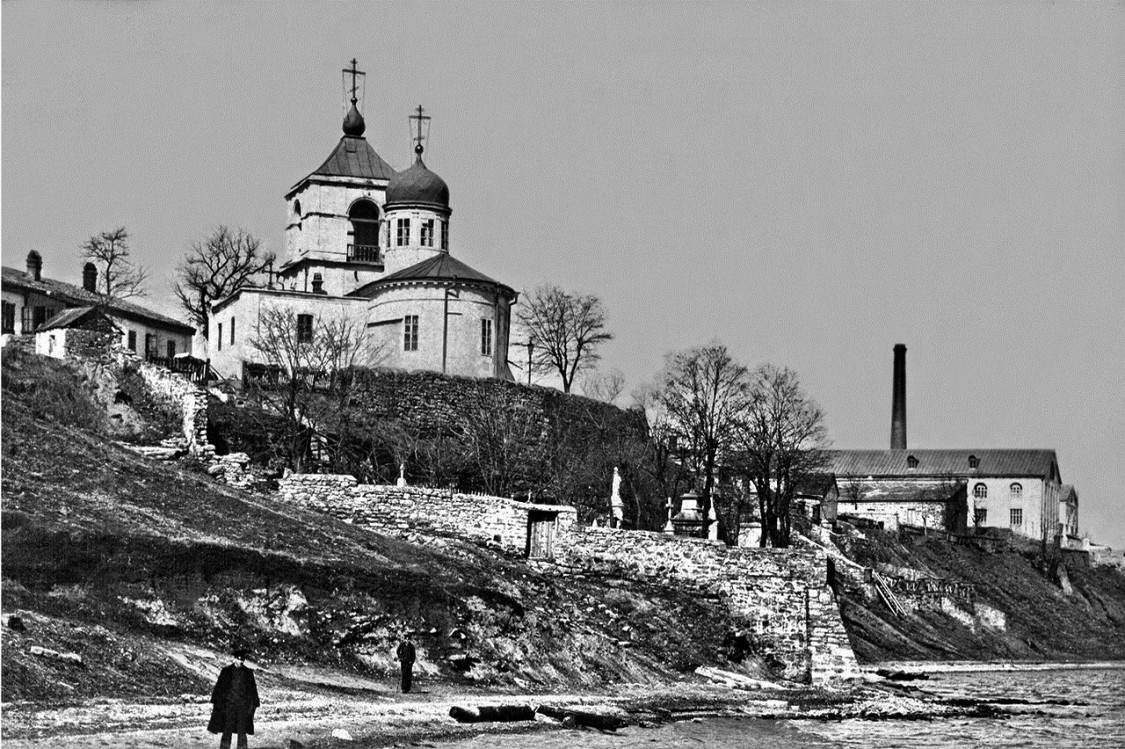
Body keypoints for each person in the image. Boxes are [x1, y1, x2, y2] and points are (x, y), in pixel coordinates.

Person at [208, 648, 260, 749]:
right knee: (227, 729)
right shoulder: (226, 671)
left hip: (242, 706)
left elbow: (252, 689)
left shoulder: (248, 673)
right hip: (229, 705)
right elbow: (219, 687)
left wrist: (253, 703)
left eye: (242, 660)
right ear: (234, 659)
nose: (240, 662)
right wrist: (216, 702)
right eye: (238, 659)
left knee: (242, 731)